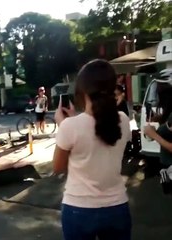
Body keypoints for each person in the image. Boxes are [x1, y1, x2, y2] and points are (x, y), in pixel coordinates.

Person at [53, 59, 132, 240]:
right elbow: (96, 128)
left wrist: (63, 123)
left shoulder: (70, 126)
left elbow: (57, 168)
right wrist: (71, 122)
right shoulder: (123, 119)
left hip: (78, 209)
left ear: (82, 90)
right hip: (117, 207)